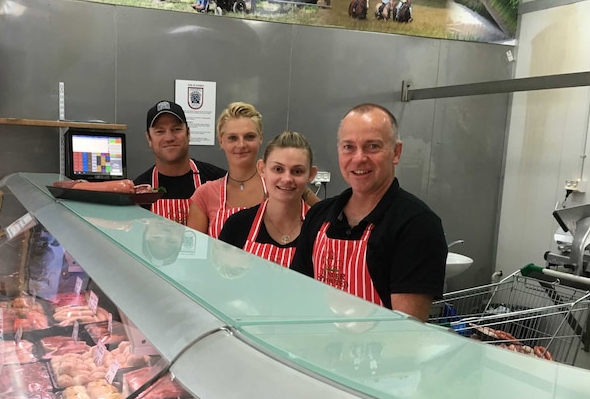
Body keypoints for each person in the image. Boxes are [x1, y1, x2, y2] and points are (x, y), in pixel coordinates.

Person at [290, 104, 447, 322]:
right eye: (348, 147)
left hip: (380, 353)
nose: (359, 158)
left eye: (372, 146)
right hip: (316, 350)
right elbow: (299, 300)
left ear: (396, 152)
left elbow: (406, 331)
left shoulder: (417, 225)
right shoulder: (319, 216)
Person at [219, 131, 317, 268]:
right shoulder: (237, 225)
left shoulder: (320, 231)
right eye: (278, 169)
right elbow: (219, 284)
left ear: (311, 174)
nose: (287, 179)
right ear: (262, 169)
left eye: (297, 171)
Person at [134, 100, 226, 225]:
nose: (169, 138)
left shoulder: (219, 182)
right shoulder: (139, 192)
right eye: (160, 131)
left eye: (176, 129)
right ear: (149, 138)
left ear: (188, 133)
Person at [187, 102, 266, 238]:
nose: (241, 144)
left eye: (249, 136)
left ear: (261, 138)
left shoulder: (277, 187)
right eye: (232, 138)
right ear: (221, 141)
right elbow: (194, 255)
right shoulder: (205, 194)